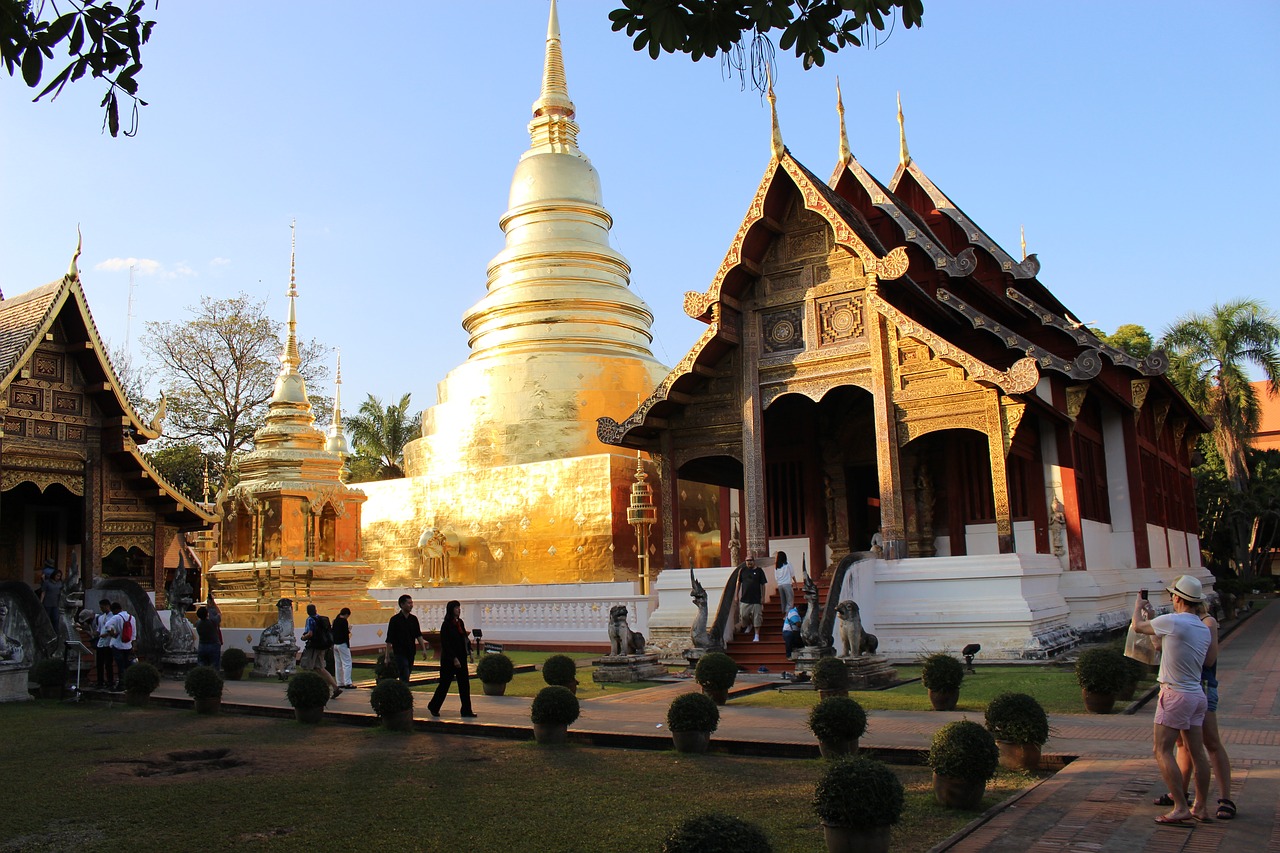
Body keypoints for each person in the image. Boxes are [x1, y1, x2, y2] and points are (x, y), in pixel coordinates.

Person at [1132, 575, 1216, 825]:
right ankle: (1200, 806)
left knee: (1161, 750)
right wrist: (1153, 617)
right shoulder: (1202, 626)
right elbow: (1159, 645)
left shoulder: (1174, 622)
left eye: (1172, 596)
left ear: (1178, 598)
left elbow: (1136, 627)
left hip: (1174, 694)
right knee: (1196, 751)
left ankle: (1180, 805)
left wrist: (1138, 607)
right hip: (1195, 694)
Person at [1157, 598, 1235, 821]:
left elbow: (1209, 659)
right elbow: (1158, 647)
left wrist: (1186, 644)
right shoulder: (1178, 622)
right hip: (1181, 687)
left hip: (1201, 684)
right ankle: (1180, 793)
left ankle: (1224, 798)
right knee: (1183, 744)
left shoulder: (1206, 622)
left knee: (1210, 742)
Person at [427, 600, 476, 718]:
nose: (458, 610)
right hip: (449, 660)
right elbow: (446, 644)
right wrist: (454, 658)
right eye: (456, 608)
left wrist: (469, 651)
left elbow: (464, 638)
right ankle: (434, 706)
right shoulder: (446, 625)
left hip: (461, 657)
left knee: (464, 685)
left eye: (459, 607)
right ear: (451, 610)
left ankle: (466, 710)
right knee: (444, 684)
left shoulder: (460, 623)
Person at [300, 603, 341, 699]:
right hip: (322, 646)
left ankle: (309, 689)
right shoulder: (321, 619)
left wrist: (303, 637)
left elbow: (310, 634)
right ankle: (335, 687)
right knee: (320, 668)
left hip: (314, 646)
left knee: (307, 666)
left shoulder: (310, 619)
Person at [384, 594, 428, 683]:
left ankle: (403, 689)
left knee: (407, 672)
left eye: (412, 603)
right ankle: (404, 690)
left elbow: (418, 635)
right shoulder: (395, 620)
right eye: (409, 603)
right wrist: (387, 656)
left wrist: (423, 649)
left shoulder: (413, 619)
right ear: (402, 604)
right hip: (399, 651)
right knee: (404, 670)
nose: (411, 605)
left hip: (411, 651)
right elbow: (389, 639)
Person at [736, 554, 768, 642]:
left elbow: (763, 585)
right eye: (747, 560)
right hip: (745, 599)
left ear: (753, 561)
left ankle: (756, 635)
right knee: (743, 616)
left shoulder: (759, 571)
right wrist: (736, 595)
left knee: (757, 617)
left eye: (750, 560)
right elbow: (739, 583)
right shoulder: (742, 571)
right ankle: (749, 624)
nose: (749, 562)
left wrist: (763, 597)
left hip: (756, 599)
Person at [105, 601, 135, 689]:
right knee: (127, 665)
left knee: (120, 665)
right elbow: (134, 634)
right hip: (128, 645)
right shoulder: (131, 617)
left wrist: (112, 633)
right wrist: (133, 645)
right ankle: (128, 683)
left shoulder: (117, 617)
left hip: (118, 644)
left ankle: (121, 684)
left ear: (115, 610)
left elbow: (107, 625)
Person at [93, 598, 114, 688]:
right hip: (100, 643)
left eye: (102, 607)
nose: (101, 609)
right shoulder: (101, 617)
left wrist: (106, 634)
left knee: (108, 664)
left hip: (108, 643)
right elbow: (99, 629)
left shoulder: (113, 617)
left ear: (107, 606)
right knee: (99, 664)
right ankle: (100, 681)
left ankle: (110, 681)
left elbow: (114, 630)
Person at [333, 607, 354, 689]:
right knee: (347, 663)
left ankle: (339, 682)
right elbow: (345, 633)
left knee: (338, 664)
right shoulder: (344, 621)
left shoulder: (336, 620)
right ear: (346, 614)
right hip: (343, 644)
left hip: (335, 644)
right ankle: (348, 682)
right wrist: (349, 629)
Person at [774, 551, 795, 616]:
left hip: (780, 585)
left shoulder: (776, 566)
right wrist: (796, 583)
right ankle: (787, 614)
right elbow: (792, 574)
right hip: (787, 584)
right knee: (789, 600)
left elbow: (776, 577)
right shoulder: (788, 563)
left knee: (783, 600)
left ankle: (783, 612)